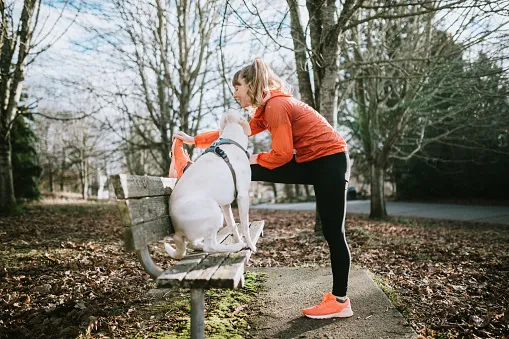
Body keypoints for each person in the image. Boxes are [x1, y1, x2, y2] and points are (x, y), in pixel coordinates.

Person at [170, 58, 352, 319]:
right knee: (243, 166)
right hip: (313, 161)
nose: (234, 93)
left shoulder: (277, 106)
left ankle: (340, 301)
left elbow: (282, 156)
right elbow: (234, 132)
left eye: (238, 87)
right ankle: (193, 173)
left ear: (252, 85)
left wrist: (254, 159)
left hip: (329, 162)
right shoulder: (267, 109)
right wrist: (195, 141)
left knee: (334, 232)